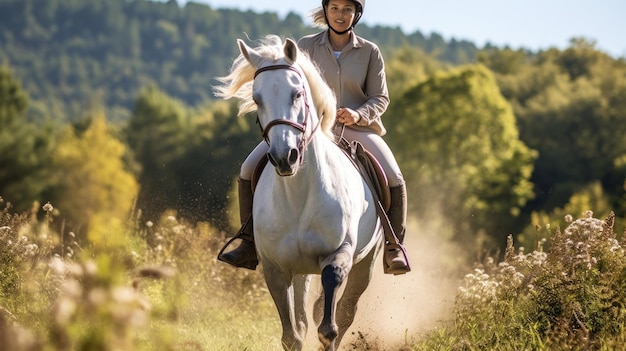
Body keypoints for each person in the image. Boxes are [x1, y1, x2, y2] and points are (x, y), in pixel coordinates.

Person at [218, 0, 410, 274]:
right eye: (334, 8)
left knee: (394, 176)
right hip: (309, 130)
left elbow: (381, 97)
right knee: (248, 169)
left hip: (356, 128)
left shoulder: (370, 52)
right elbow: (288, 86)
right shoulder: (304, 47)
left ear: (357, 14)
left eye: (347, 9)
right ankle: (248, 241)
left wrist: (358, 115)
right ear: (326, 11)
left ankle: (393, 246)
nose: (340, 15)